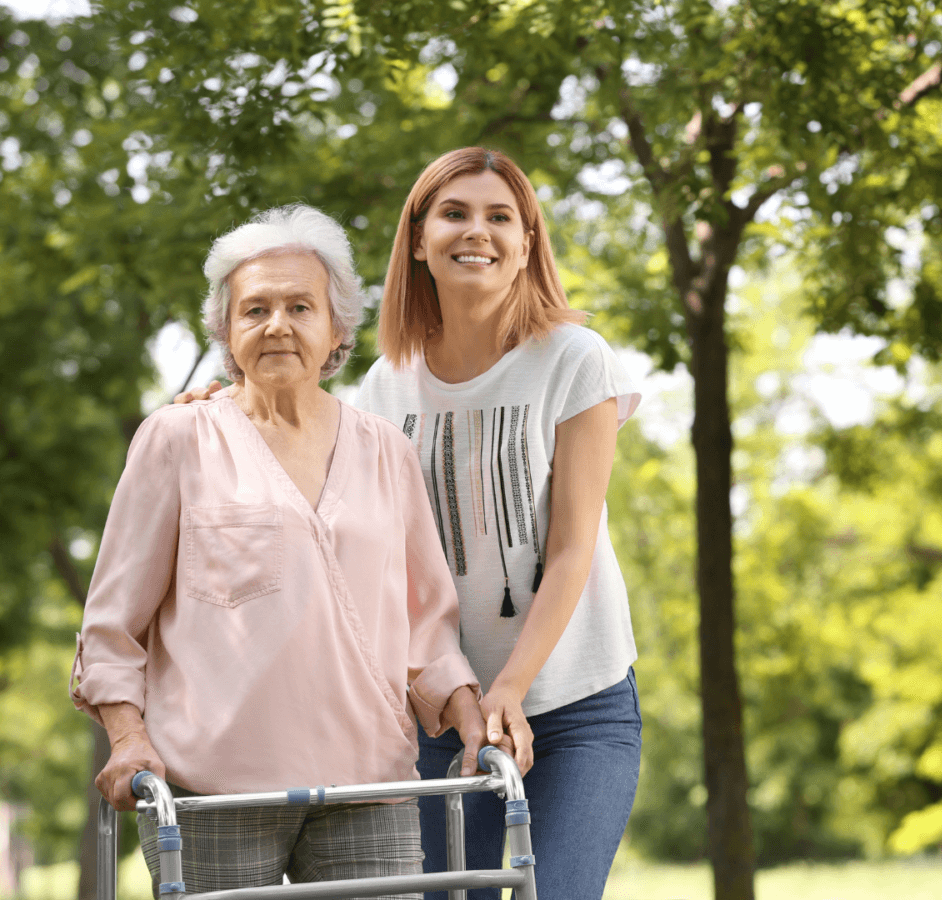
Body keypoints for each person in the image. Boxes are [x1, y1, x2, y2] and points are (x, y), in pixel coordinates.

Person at [177, 147, 643, 900]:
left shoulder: (575, 360)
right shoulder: (384, 388)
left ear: (527, 242)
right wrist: (225, 403)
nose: (477, 232)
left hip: (573, 708)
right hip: (439, 714)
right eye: (455, 214)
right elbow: (320, 493)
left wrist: (511, 689)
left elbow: (572, 551)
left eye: (500, 217)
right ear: (419, 238)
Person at [71, 204, 488, 900]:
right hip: (212, 796)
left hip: (369, 785)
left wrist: (467, 705)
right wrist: (126, 739)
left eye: (300, 306)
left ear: (336, 331)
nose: (277, 325)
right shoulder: (178, 440)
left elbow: (426, 624)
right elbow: (112, 626)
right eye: (254, 309)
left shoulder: (387, 449)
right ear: (227, 334)